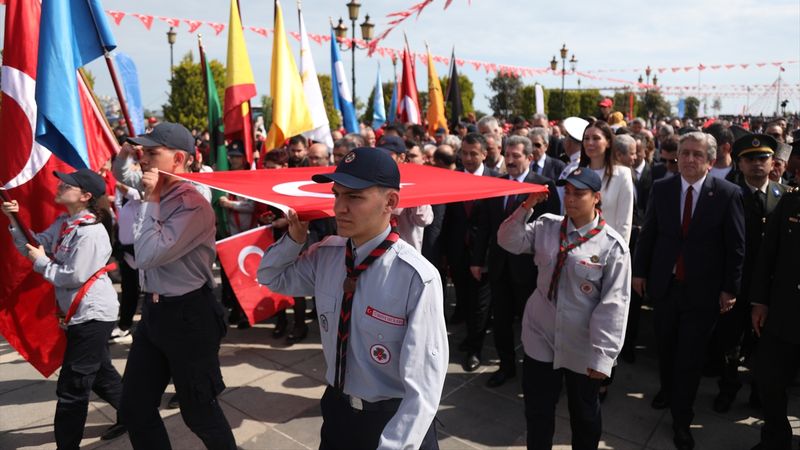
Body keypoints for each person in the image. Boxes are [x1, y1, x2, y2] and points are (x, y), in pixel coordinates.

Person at [258, 147, 448, 449]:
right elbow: (270, 276)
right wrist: (294, 240)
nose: (339, 207)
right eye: (337, 195)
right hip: (338, 411)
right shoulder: (327, 255)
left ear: (391, 202)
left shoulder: (416, 276)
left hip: (393, 420)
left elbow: (424, 387)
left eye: (354, 197)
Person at [118, 122, 236, 449]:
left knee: (199, 412)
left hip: (189, 316)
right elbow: (120, 173)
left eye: (152, 153)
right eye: (142, 152)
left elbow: (146, 255)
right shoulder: (155, 190)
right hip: (156, 312)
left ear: (178, 159)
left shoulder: (193, 204)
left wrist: (151, 198)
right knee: (135, 407)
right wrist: (127, 155)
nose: (143, 159)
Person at [498, 168, 631, 450]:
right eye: (567, 192)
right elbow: (507, 240)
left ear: (596, 198)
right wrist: (527, 206)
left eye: (579, 194)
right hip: (540, 334)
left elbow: (614, 304)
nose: (570, 199)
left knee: (583, 415)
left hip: (582, 342)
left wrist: (603, 356)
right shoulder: (547, 226)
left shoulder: (611, 246)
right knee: (538, 411)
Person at [632, 131, 745, 450]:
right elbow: (649, 232)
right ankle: (668, 390)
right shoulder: (663, 187)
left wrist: (729, 289)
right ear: (676, 157)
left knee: (690, 357)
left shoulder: (726, 193)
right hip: (665, 287)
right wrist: (639, 271)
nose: (690, 159)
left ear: (711, 161)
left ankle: (682, 419)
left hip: (704, 292)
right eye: (685, 153)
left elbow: (736, 247)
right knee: (665, 349)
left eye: (698, 154)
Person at [3, 169, 126, 448]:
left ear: (85, 196)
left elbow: (72, 275)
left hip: (93, 314)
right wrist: (14, 217)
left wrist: (41, 262)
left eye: (66, 185)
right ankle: (133, 412)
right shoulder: (65, 222)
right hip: (78, 313)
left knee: (72, 387)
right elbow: (33, 245)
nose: (59, 186)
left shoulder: (91, 231)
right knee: (100, 375)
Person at [709, 134, 789, 413]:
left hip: (768, 288)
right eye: (750, 159)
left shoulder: (784, 196)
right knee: (730, 343)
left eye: (763, 158)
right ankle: (728, 389)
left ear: (772, 162)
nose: (757, 164)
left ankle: (758, 392)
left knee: (763, 347)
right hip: (737, 285)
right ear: (739, 164)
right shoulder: (727, 193)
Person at [473, 135, 560, 388]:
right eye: (507, 155)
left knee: (532, 323)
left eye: (516, 156)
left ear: (530, 158)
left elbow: (551, 229)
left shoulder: (543, 186)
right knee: (501, 322)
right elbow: (486, 227)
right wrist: (478, 260)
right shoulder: (496, 184)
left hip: (529, 269)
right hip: (499, 267)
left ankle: (537, 370)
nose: (509, 161)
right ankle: (506, 366)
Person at [749, 186, 800, 450]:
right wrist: (760, 302)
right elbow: (768, 254)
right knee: (769, 380)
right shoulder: (791, 202)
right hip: (783, 312)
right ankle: (775, 440)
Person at [442, 133, 498, 371]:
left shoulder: (496, 180)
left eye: (473, 153)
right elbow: (447, 220)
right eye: (464, 153)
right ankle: (468, 339)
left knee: (480, 305)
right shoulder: (452, 179)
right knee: (464, 300)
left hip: (483, 255)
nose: (467, 158)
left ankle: (475, 349)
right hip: (457, 254)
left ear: (484, 154)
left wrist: (484, 257)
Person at [579, 121, 635, 243]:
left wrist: (618, 254)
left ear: (608, 142)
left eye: (596, 138)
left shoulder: (622, 175)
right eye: (586, 138)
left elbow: (624, 222)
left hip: (608, 250)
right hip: (577, 247)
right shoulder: (575, 173)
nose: (590, 143)